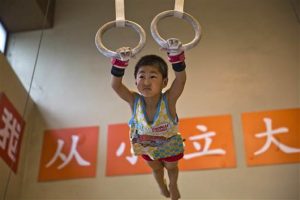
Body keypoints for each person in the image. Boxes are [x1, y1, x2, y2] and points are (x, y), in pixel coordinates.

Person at [110, 39, 186, 200]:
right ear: (135, 81)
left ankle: (173, 185)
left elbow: (180, 80)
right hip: (145, 146)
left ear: (164, 82)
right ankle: (161, 185)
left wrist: (176, 56)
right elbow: (116, 85)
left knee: (171, 169)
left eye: (152, 76)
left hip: (169, 145)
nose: (146, 81)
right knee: (157, 170)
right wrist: (120, 63)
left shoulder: (169, 100)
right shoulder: (133, 100)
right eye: (141, 76)